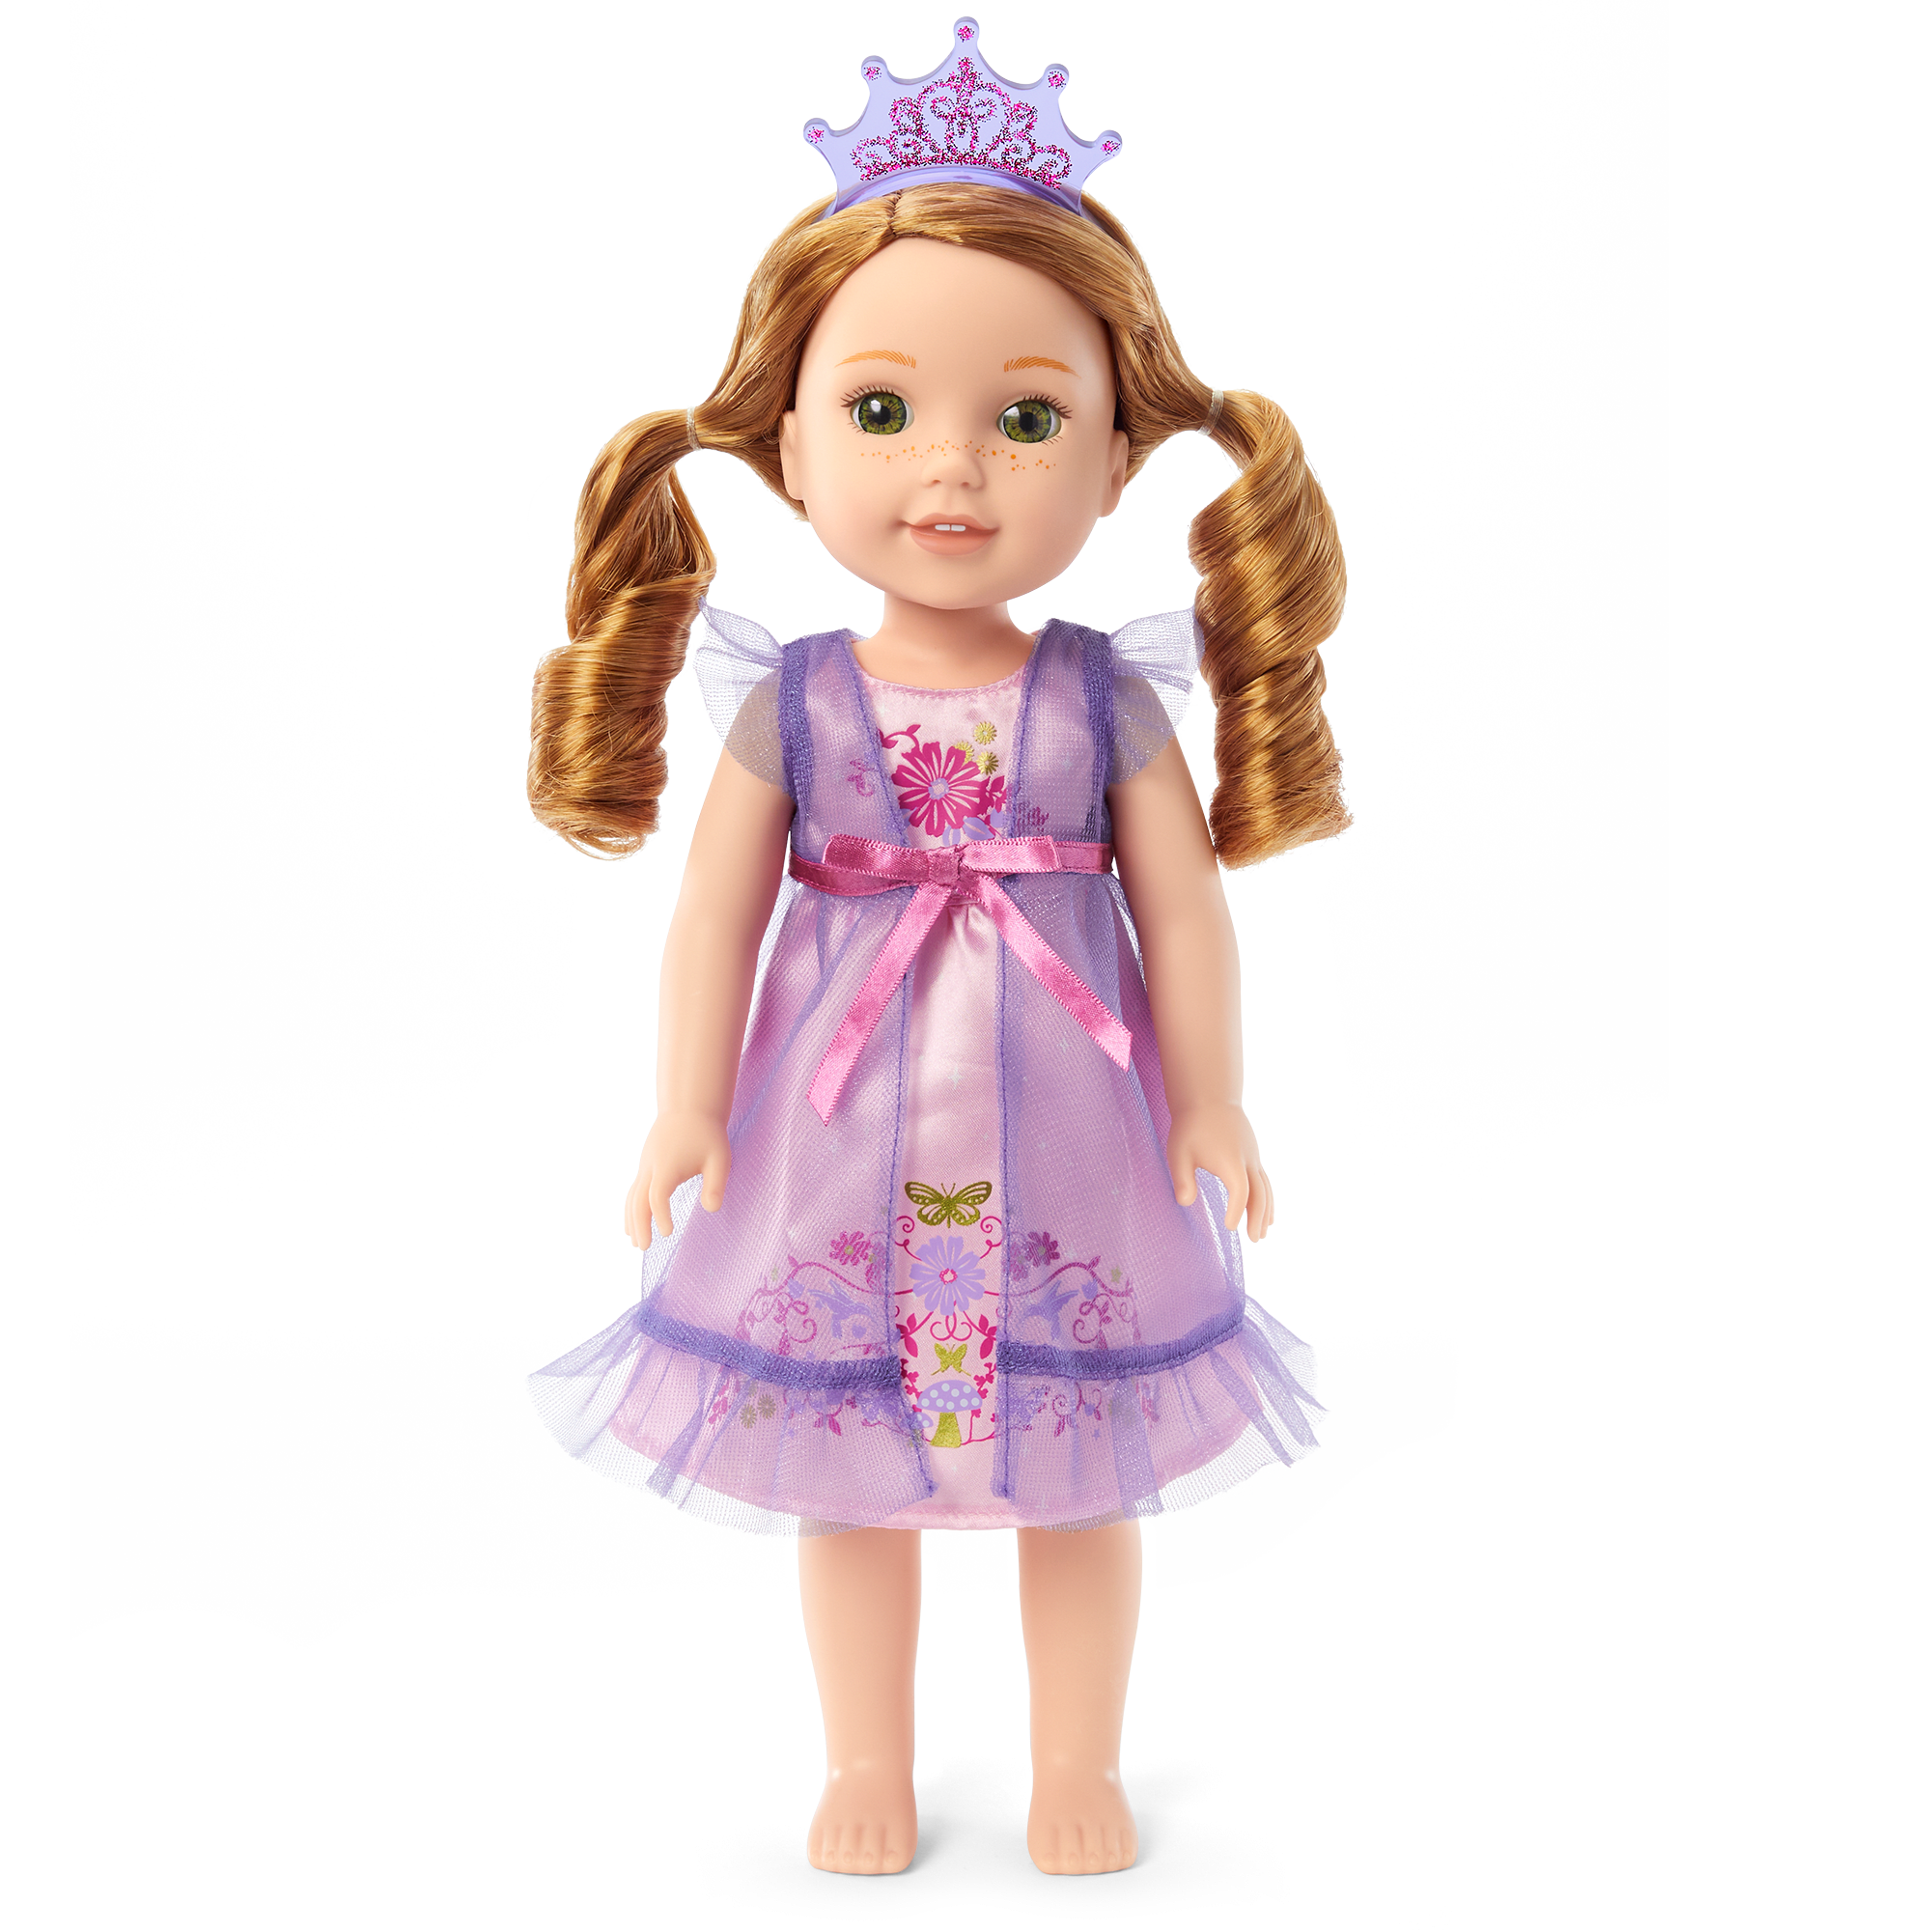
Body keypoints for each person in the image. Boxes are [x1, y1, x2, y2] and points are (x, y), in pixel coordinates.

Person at [526, 19, 1347, 1876]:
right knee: (845, 1474)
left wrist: (1213, 1100)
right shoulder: (799, 701)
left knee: (1083, 1467)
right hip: (831, 1143)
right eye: (883, 413)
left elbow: (1184, 909)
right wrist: (684, 1107)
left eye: (1028, 419)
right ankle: (865, 1764)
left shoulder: (1103, 696)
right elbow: (715, 915)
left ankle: (1079, 1766)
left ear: (1121, 457)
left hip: (1075, 1135)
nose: (954, 469)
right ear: (787, 445)